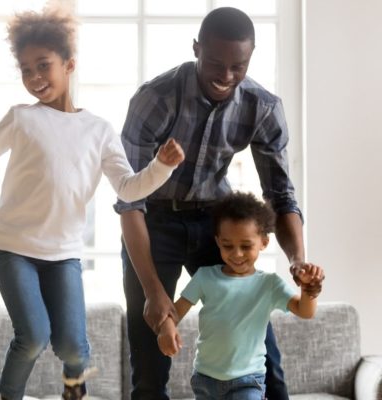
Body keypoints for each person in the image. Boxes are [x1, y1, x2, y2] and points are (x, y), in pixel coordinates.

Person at [0, 5, 185, 399]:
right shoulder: (21, 118)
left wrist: (161, 167)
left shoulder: (99, 131)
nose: (35, 78)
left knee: (73, 347)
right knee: (34, 336)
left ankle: (75, 391)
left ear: (69, 64)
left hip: (63, 255)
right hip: (13, 250)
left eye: (43, 66)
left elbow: (128, 189)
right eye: (26, 70)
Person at [115, 7, 325, 400]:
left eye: (238, 66)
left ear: (251, 57)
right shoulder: (155, 99)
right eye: (214, 62)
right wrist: (153, 291)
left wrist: (296, 260)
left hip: (216, 223)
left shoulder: (262, 107)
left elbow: (280, 194)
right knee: (149, 355)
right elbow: (130, 201)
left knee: (260, 350)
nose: (225, 76)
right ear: (196, 48)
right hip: (153, 222)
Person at [155, 192, 323, 400]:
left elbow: (305, 311)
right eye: (228, 246)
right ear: (217, 241)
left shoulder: (268, 284)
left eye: (246, 246)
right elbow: (176, 311)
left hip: (248, 380)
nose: (237, 254)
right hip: (205, 379)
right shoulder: (205, 277)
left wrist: (309, 289)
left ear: (263, 242)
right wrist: (167, 327)